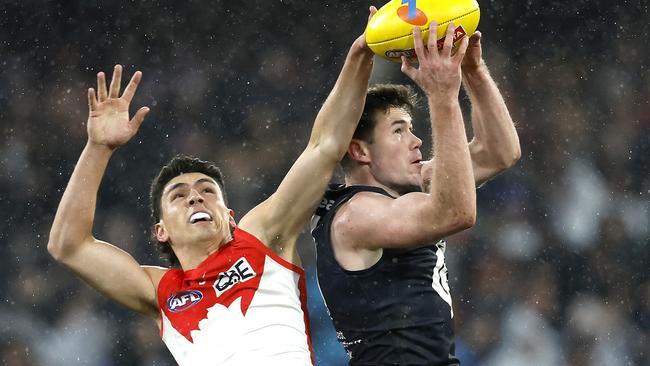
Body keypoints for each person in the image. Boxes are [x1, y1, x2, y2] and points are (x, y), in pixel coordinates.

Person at [47, 8, 378, 365]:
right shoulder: (162, 292)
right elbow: (68, 245)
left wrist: (360, 55)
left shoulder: (262, 236)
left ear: (230, 215)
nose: (194, 196)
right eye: (179, 195)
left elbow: (325, 146)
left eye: (207, 190)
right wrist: (98, 149)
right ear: (160, 231)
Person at [311, 22, 521, 365]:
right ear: (361, 151)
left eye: (411, 129)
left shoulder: (409, 190)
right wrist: (441, 96)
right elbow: (455, 213)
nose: (416, 141)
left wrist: (474, 70)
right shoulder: (356, 215)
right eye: (398, 131)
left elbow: (499, 151)